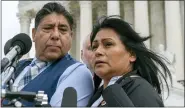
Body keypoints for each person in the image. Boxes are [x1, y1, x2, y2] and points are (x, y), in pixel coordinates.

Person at [2, 2, 94, 107]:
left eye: (63, 30)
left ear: (71, 37)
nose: (55, 35)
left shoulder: (77, 72)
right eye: (48, 28)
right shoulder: (15, 68)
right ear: (34, 34)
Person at [86, 15, 172, 107]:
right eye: (94, 47)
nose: (97, 52)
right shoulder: (98, 94)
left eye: (108, 44)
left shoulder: (141, 91)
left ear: (132, 54)